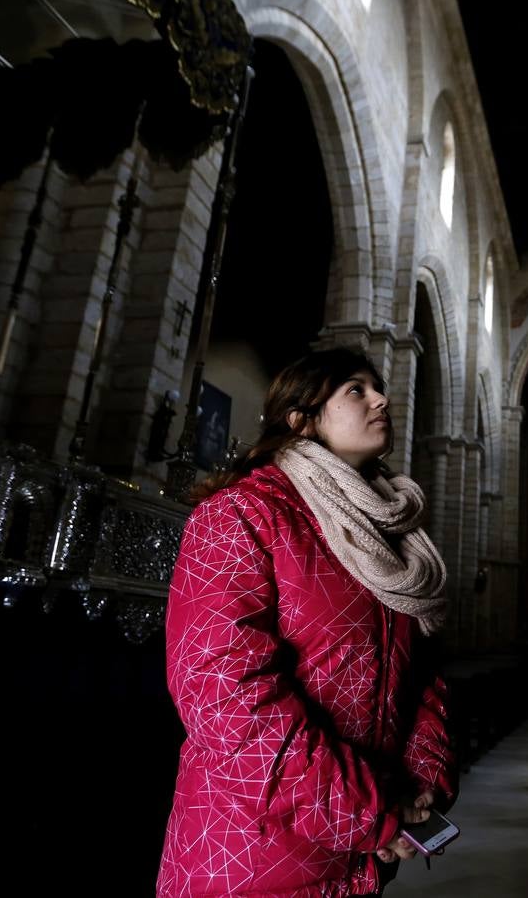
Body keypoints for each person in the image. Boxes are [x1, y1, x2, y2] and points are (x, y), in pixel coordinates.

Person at [157, 348, 456, 897]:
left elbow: (422, 677)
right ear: (302, 420)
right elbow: (224, 696)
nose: (381, 399)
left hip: (362, 854)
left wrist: (422, 782)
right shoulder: (242, 514)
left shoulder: (391, 540)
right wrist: (370, 813)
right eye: (355, 390)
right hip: (252, 853)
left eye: (377, 387)